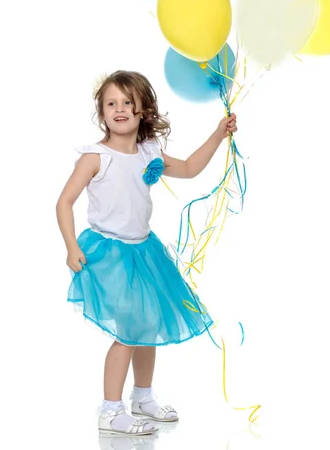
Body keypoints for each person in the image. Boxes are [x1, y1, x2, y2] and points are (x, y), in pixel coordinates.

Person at [56, 70, 237, 436]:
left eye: (127, 102)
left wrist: (218, 135)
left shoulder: (148, 152)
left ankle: (143, 396)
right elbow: (64, 202)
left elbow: (187, 168)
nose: (119, 108)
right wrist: (71, 246)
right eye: (111, 103)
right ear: (101, 111)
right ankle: (110, 409)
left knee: (147, 327)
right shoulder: (96, 157)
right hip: (109, 254)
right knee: (127, 331)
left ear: (142, 111)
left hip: (144, 251)